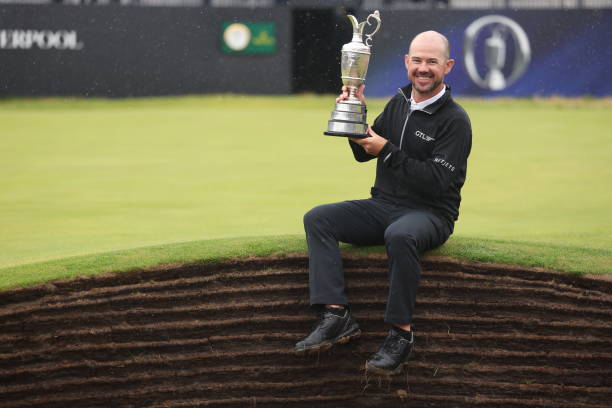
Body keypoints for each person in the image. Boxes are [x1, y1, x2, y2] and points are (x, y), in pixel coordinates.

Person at [295, 31, 472, 375]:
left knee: (401, 235)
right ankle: (336, 315)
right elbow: (365, 154)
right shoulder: (399, 102)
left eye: (432, 62)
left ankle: (400, 335)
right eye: (417, 60)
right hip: (385, 205)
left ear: (447, 66)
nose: (423, 68)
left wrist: (387, 151)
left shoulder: (455, 120)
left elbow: (436, 182)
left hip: (430, 214)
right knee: (318, 219)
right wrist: (355, 115)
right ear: (407, 62)